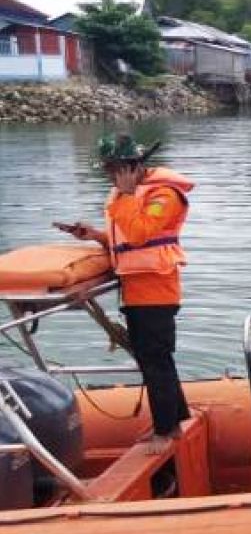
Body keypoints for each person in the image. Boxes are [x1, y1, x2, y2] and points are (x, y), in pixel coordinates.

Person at [55, 134, 194, 454]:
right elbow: (126, 242)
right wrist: (93, 235)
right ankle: (176, 418)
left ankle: (165, 430)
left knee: (155, 360)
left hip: (156, 292)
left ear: (128, 168)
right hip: (136, 291)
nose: (108, 177)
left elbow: (141, 232)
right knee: (154, 359)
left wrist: (128, 195)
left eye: (111, 170)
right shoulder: (127, 195)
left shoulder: (163, 195)